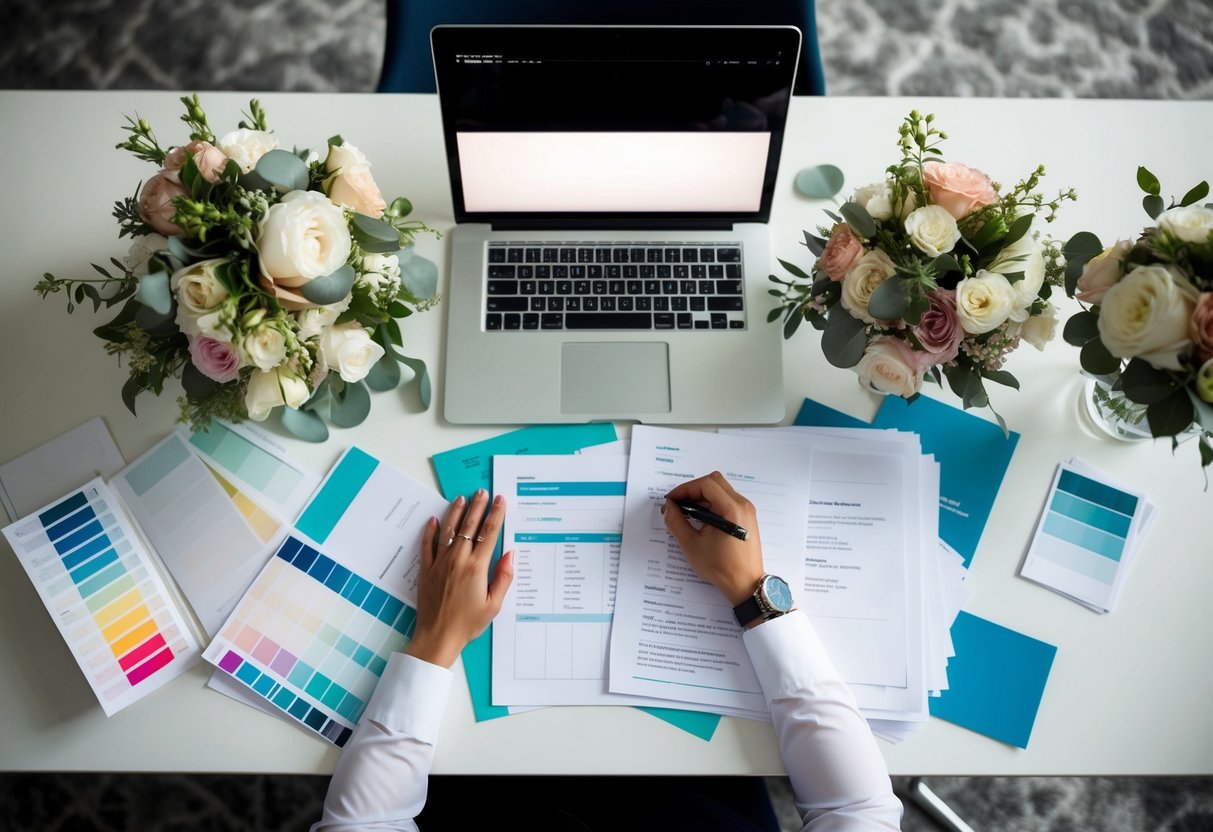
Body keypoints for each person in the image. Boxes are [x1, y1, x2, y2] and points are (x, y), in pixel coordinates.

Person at [312, 473, 903, 831]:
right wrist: (756, 596)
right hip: (698, 797)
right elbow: (858, 810)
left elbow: (364, 820)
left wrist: (436, 639)